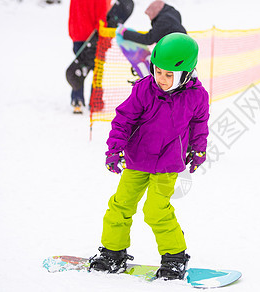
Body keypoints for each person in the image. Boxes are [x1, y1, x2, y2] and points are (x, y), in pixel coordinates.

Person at [88, 33, 210, 280]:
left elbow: (200, 125)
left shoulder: (197, 96)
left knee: (156, 210)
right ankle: (113, 253)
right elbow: (124, 119)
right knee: (120, 206)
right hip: (137, 160)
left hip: (168, 164)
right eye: (158, 71)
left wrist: (198, 150)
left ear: (186, 74)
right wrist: (114, 148)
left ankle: (174, 257)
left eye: (169, 75)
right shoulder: (145, 88)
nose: (162, 79)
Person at [68, 0, 109, 114]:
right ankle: (95, 102)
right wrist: (103, 35)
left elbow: (72, 14)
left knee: (79, 68)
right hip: (93, 37)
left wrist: (73, 33)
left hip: (78, 36)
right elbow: (101, 18)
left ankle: (77, 100)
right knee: (97, 70)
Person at [116, 0, 187, 46]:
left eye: (150, 15)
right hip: (186, 46)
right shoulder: (173, 14)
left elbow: (148, 39)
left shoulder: (163, 21)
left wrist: (125, 33)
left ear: (154, 12)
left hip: (176, 50)